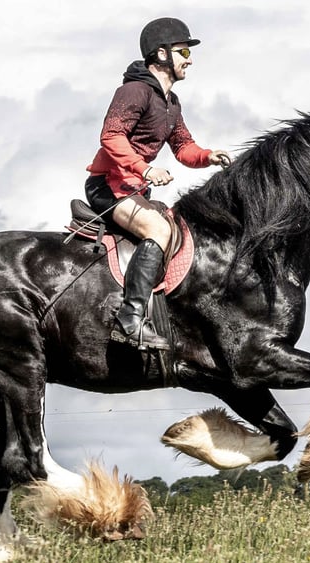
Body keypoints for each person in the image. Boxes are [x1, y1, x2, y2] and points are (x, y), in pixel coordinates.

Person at [85, 17, 228, 351]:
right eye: (182, 52)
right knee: (159, 231)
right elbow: (111, 136)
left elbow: (183, 148)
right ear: (161, 54)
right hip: (107, 186)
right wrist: (145, 169)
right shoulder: (134, 91)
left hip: (134, 189)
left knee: (178, 228)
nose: (189, 59)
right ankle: (129, 321)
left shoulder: (171, 103)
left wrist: (208, 155)